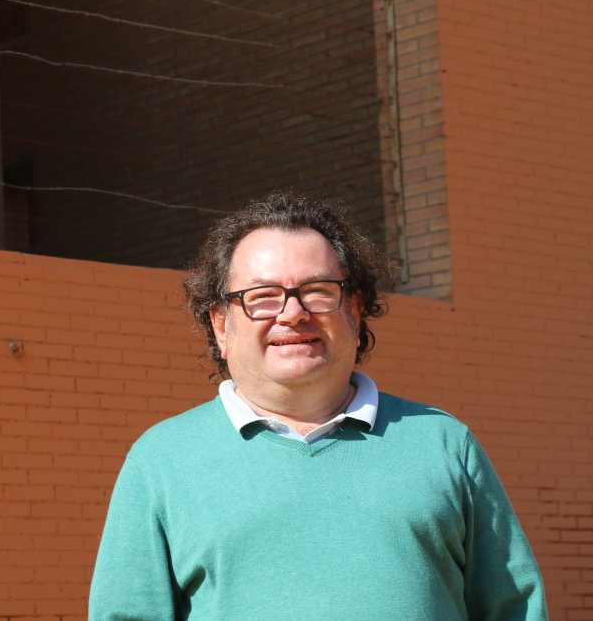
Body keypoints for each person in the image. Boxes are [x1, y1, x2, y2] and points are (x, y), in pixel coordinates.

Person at [89, 192, 546, 620]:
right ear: (221, 325)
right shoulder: (162, 460)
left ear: (356, 311)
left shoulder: (443, 443)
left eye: (318, 290)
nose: (293, 313)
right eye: (262, 297)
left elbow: (515, 609)